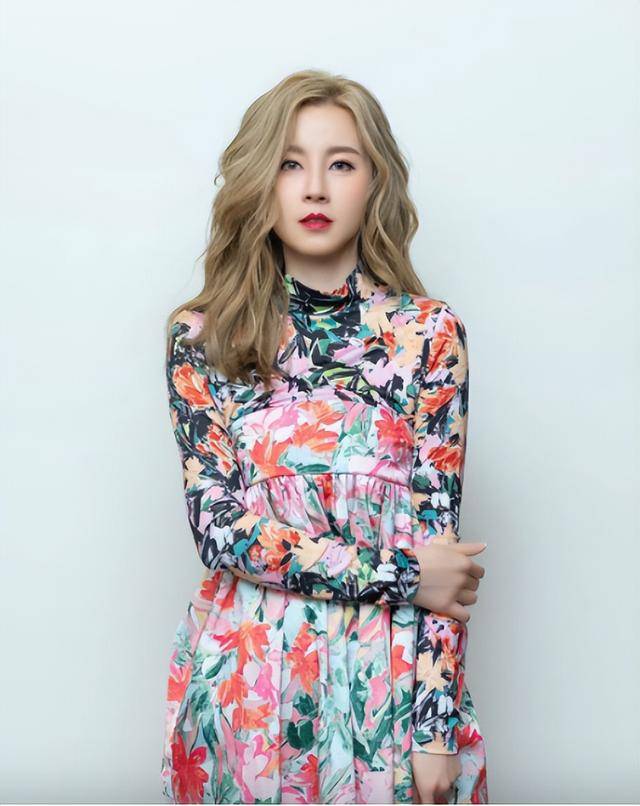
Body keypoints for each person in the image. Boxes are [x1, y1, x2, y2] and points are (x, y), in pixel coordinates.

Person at [160, 69, 488, 805]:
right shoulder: (203, 338)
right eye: (289, 163)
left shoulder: (428, 335)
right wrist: (404, 575)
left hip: (391, 687)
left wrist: (436, 732)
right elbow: (222, 533)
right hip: (249, 686)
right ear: (260, 180)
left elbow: (441, 546)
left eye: (340, 164)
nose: (314, 188)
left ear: (375, 182)